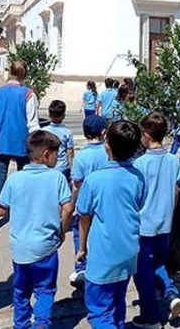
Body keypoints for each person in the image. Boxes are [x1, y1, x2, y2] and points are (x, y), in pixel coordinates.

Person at [0, 131, 73, 329]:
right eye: (56, 153)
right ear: (47, 154)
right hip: (46, 246)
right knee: (45, 290)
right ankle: (42, 324)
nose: (57, 157)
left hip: (20, 248)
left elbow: (3, 209)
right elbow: (68, 208)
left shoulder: (14, 179)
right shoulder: (57, 178)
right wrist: (62, 229)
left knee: (20, 291)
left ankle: (20, 325)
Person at [76, 120, 145, 328]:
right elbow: (139, 204)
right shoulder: (138, 177)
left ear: (107, 145)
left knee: (99, 313)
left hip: (103, 256)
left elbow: (84, 216)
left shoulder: (94, 180)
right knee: (117, 303)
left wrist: (82, 247)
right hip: (129, 252)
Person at [132, 113, 180, 328]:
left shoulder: (140, 163)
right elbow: (175, 191)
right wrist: (169, 213)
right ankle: (171, 294)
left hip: (144, 226)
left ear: (145, 135)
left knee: (142, 273)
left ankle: (150, 316)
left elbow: (137, 195)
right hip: (164, 224)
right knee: (158, 263)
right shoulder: (173, 161)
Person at [0, 61, 40, 212]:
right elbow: (32, 123)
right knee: (22, 176)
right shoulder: (28, 94)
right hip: (21, 140)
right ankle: (19, 211)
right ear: (24, 75)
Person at [68, 115, 110, 286]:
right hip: (104, 201)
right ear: (104, 132)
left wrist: (71, 204)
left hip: (85, 202)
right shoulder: (108, 151)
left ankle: (81, 266)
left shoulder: (81, 156)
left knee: (80, 233)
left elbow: (76, 183)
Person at [42, 100, 75, 180]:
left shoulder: (44, 131)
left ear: (49, 115)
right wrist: (72, 169)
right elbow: (70, 152)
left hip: (47, 166)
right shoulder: (67, 132)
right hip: (62, 167)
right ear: (63, 116)